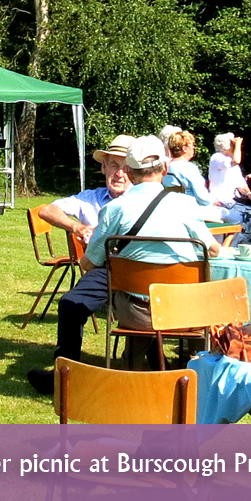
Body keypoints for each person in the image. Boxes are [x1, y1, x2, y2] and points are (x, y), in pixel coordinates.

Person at [26, 136, 220, 393]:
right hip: (179, 301)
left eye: (121, 166)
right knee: (75, 303)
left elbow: (88, 264)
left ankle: (67, 377)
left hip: (131, 295)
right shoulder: (186, 205)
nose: (118, 172)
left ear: (129, 170)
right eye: (111, 165)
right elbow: (213, 250)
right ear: (164, 169)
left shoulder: (115, 209)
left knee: (83, 302)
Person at [37, 135, 134, 246]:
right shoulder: (89, 198)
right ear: (104, 167)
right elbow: (47, 211)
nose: (119, 174)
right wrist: (78, 228)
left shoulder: (144, 199)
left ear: (135, 172)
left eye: (127, 168)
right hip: (96, 263)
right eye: (114, 165)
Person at [208, 132, 251, 205]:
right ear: (225, 146)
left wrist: (249, 194)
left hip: (231, 202)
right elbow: (236, 160)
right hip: (219, 201)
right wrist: (238, 145)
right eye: (232, 144)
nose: (235, 147)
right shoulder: (216, 157)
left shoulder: (233, 164)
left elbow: (241, 184)